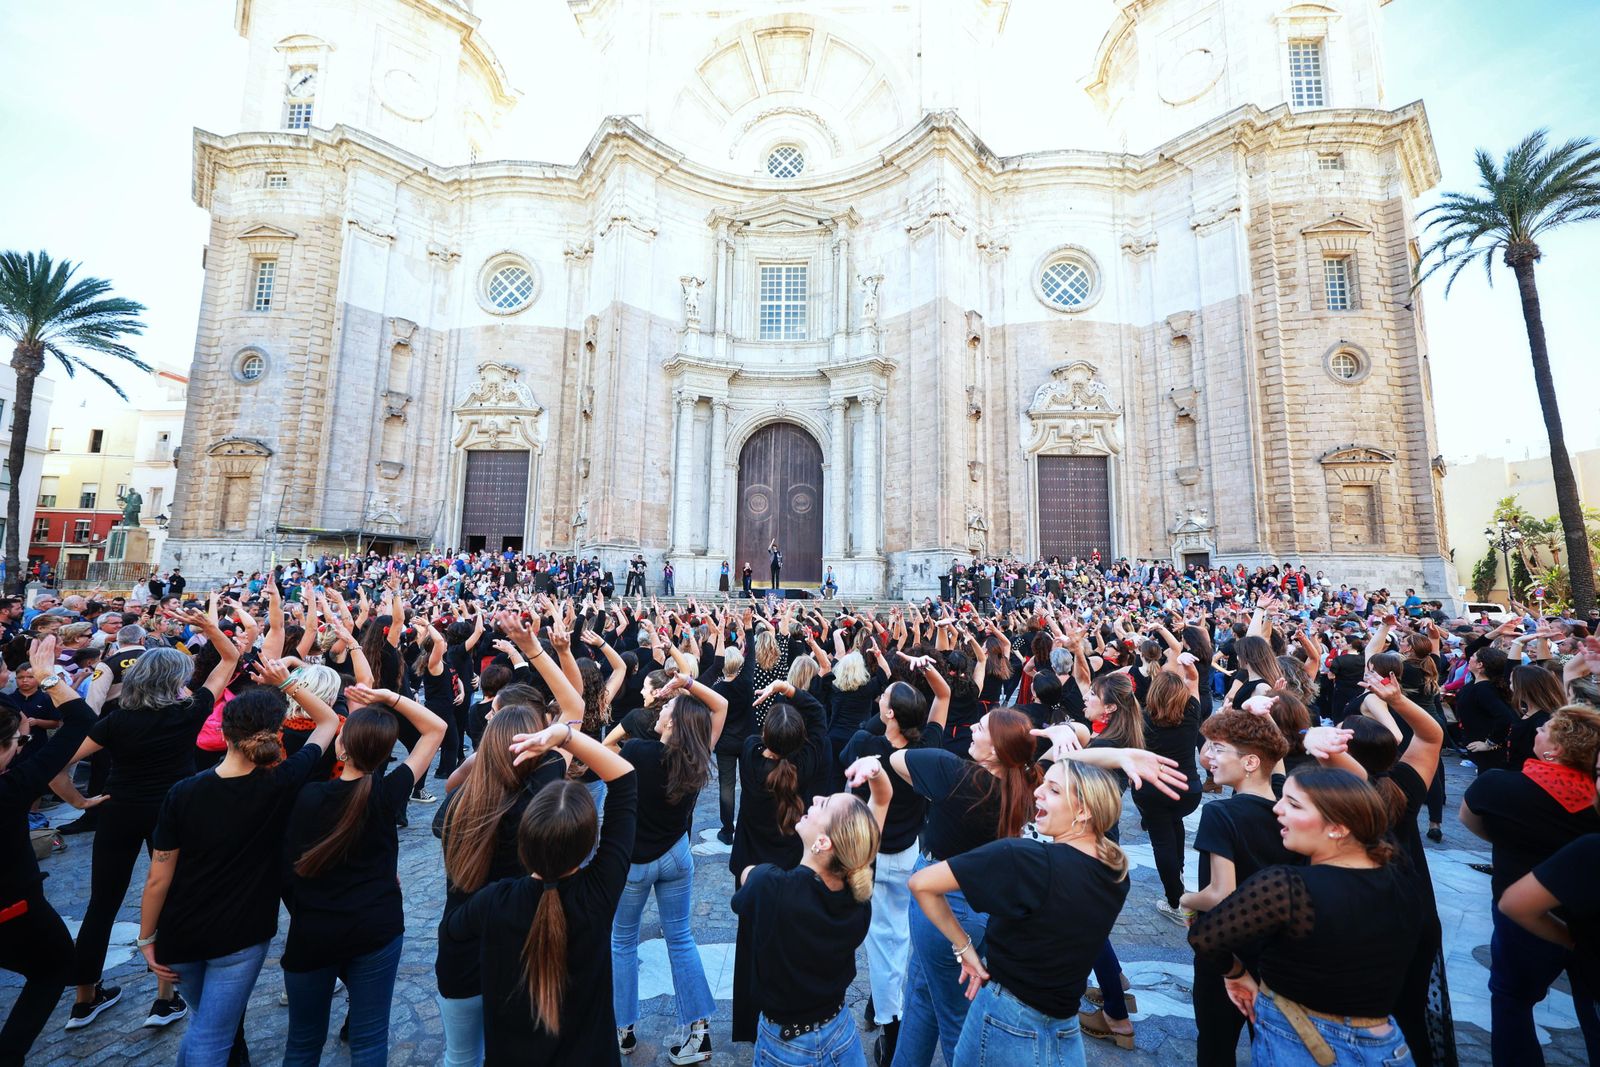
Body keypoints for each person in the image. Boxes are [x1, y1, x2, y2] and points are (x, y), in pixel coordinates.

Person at [135, 662, 340, 1066]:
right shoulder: (281, 781)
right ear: (276, 733)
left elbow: (158, 877)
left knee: (203, 1025)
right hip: (241, 931)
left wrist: (146, 939)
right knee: (212, 1035)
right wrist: (287, 682)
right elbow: (328, 720)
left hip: (182, 928)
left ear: (223, 732)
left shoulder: (184, 791)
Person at [50, 599, 241, 1030]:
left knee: (103, 903)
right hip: (172, 812)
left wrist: (79, 803)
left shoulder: (117, 721)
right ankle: (165, 997)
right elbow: (229, 659)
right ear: (174, 681)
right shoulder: (187, 713)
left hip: (119, 809)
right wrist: (209, 626)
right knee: (171, 897)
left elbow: (58, 769)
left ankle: (85, 998)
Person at [1189, 768, 1422, 1067]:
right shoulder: (1404, 879)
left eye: (1294, 804)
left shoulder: (1287, 887)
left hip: (1301, 1043)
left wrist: (1236, 974)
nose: (1277, 808)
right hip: (1386, 1047)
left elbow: (1204, 937)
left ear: (1338, 827)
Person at [441, 717, 639, 1064]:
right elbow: (624, 779)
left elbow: (453, 929)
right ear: (591, 842)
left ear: (524, 844)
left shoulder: (494, 902)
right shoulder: (600, 891)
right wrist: (564, 735)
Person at [910, 761, 1133, 1067]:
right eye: (1043, 783)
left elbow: (921, 883)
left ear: (1083, 812)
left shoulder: (1025, 860)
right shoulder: (1116, 871)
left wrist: (964, 948)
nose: (1038, 792)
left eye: (1053, 790)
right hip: (1064, 1028)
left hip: (1005, 1019)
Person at [280, 682, 447, 1065]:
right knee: (370, 1040)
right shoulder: (388, 793)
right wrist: (390, 698)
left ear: (340, 747)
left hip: (313, 931)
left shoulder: (308, 797)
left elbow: (287, 868)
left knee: (302, 1044)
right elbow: (435, 729)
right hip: (376, 926)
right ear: (388, 754)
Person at [883, 707, 1041, 1067]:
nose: (972, 726)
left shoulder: (954, 774)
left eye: (981, 727)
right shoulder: (1018, 785)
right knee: (922, 998)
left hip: (945, 907)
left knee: (957, 1023)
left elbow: (897, 759)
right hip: (977, 906)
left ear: (998, 750)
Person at [1460, 705, 1600, 1065]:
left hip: (1524, 914)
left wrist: (1510, 840)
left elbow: (1470, 820)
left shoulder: (1498, 786)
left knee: (1511, 1000)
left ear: (1554, 750)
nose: (1537, 730)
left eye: (1545, 728)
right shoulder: (1594, 802)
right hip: (1589, 918)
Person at [732, 764, 891, 1066]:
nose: (816, 798)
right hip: (840, 1034)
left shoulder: (772, 888)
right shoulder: (859, 892)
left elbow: (747, 875)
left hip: (786, 1047)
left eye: (825, 804)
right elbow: (882, 802)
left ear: (823, 843)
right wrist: (876, 772)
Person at [610, 667, 729, 1063]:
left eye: (669, 705)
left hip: (635, 862)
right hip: (676, 854)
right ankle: (699, 1032)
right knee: (680, 937)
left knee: (622, 942)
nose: (661, 705)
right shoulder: (697, 756)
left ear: (673, 721)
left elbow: (600, 756)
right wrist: (688, 685)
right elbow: (722, 704)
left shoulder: (638, 752)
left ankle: (622, 1029)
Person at [842, 654, 949, 1064]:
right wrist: (923, 668)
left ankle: (892, 1025)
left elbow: (845, 759)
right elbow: (942, 694)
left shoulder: (869, 746)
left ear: (888, 713)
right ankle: (882, 1009)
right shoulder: (927, 747)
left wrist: (883, 719)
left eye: (884, 698)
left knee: (883, 947)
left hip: (876, 858)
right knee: (899, 940)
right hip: (909, 854)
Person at [1179, 710, 1299, 1067]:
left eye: (1218, 750)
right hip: (1278, 948)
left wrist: (1186, 899)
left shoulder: (1222, 814)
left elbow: (1220, 894)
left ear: (1249, 761)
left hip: (1227, 949)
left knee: (1216, 1043)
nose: (1208, 757)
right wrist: (1264, 717)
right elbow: (1275, 757)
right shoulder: (1284, 801)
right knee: (1274, 1044)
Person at [0, 637, 94, 1066]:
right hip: (13, 909)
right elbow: (81, 721)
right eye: (17, 741)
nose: (21, 746)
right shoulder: (11, 788)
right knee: (53, 967)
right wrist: (51, 679)